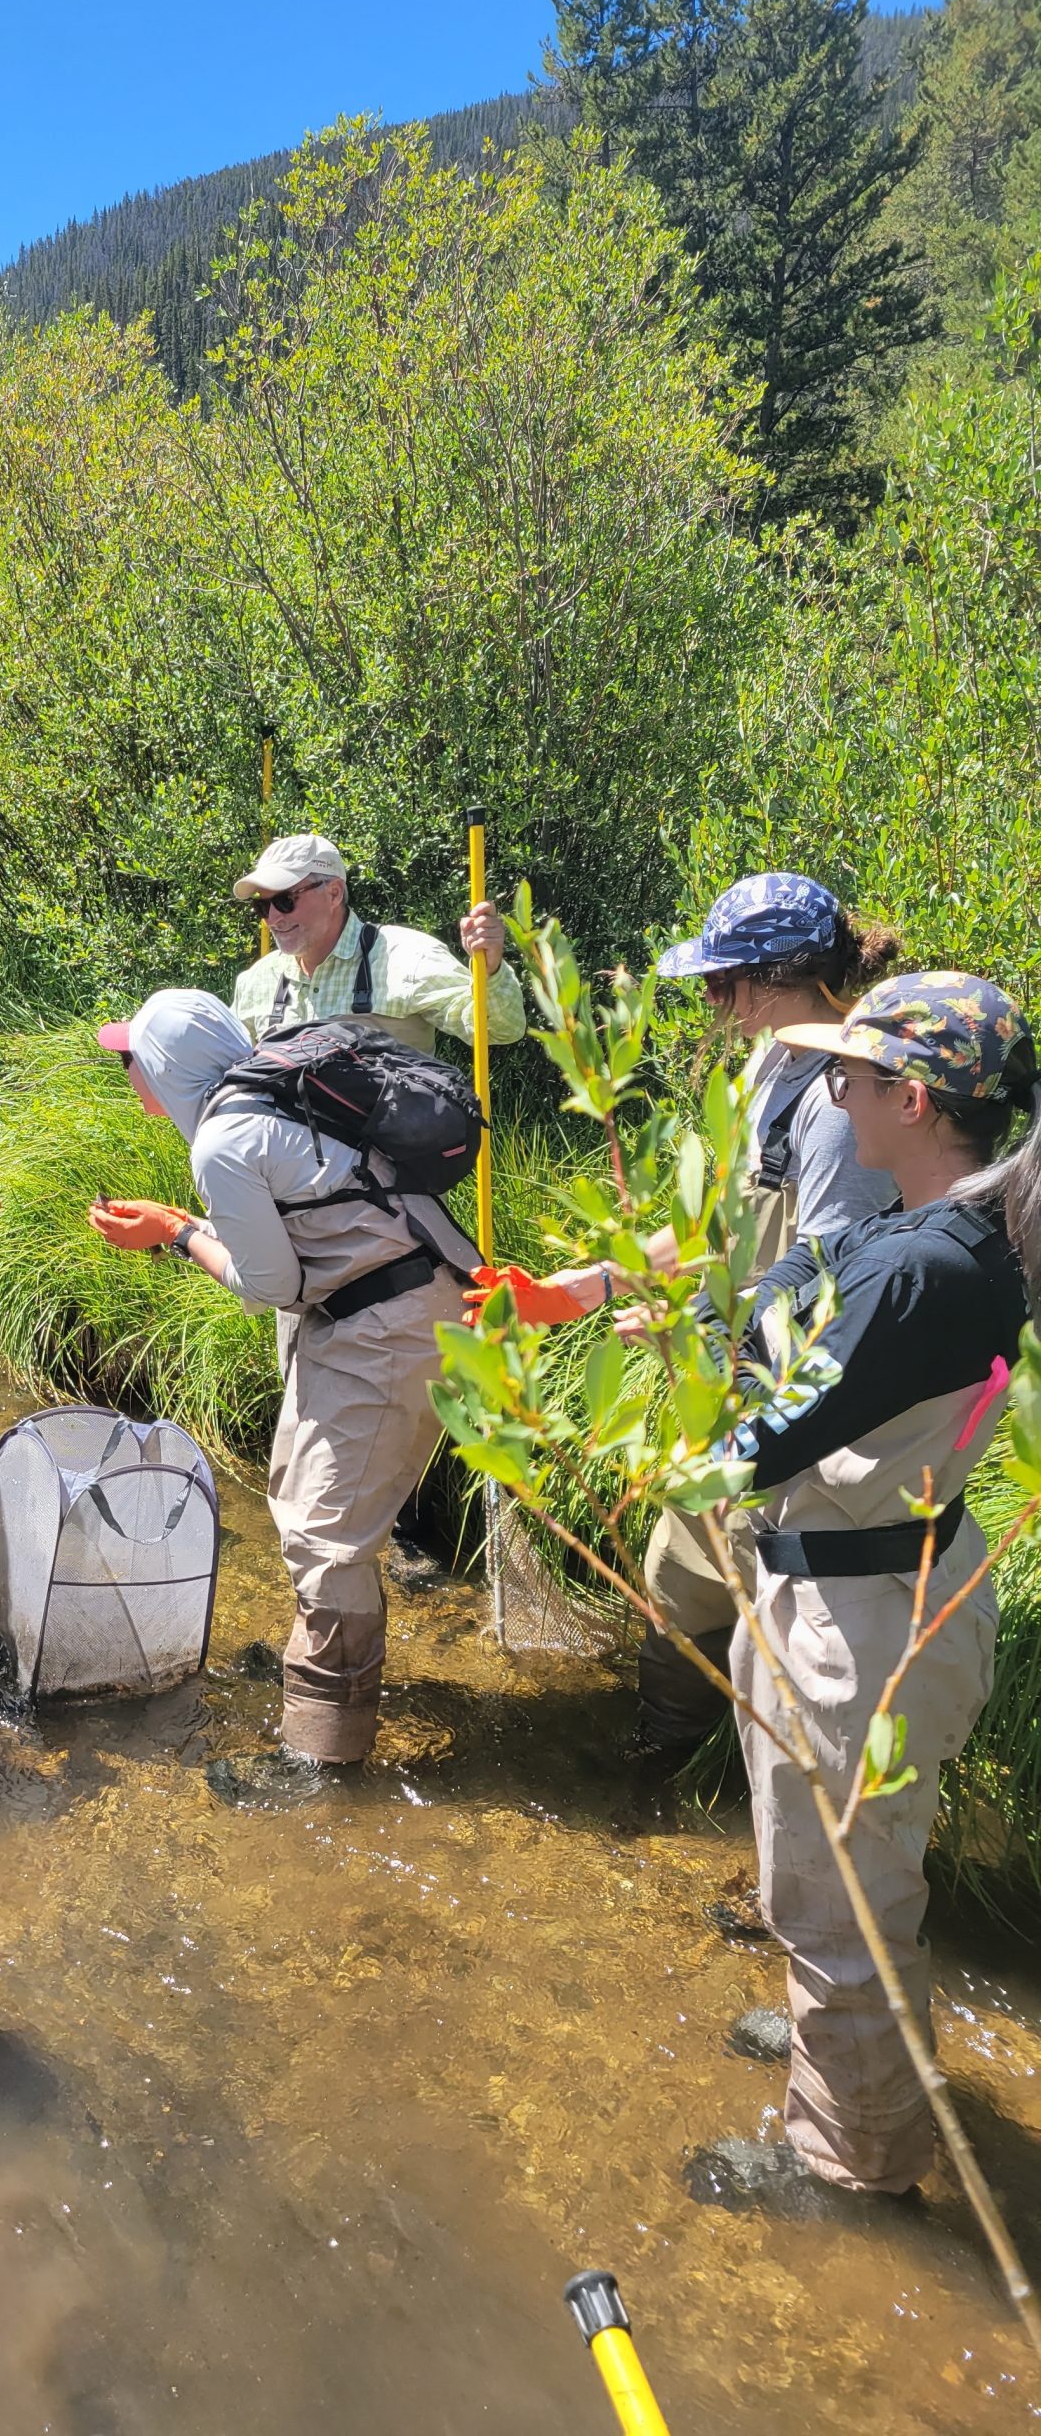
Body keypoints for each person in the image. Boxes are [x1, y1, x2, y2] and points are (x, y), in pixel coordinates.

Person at [702, 973, 1039, 2199]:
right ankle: (843, 2065)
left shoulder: (919, 1272)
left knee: (843, 1913)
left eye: (845, 1075)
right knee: (855, 1885)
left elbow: (746, 1441)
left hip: (859, 1625)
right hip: (888, 1584)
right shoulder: (960, 1227)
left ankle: (848, 2175)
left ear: (909, 1098)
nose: (829, 1092)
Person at [544, 874, 902, 1755]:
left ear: (775, 979)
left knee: (775, 1615)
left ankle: (764, 1806)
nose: (710, 1003)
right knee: (677, 1581)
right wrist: (596, 1283)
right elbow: (719, 1223)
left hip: (797, 1410)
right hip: (723, 1388)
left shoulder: (837, 1102)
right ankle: (661, 1758)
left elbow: (831, 1285)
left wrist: (696, 1333)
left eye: (718, 983)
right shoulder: (771, 1062)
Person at [89, 990, 480, 1765]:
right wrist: (182, 1226)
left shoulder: (226, 1140)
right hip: (394, 1305)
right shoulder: (270, 1099)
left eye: (132, 1058)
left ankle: (325, 1761)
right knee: (303, 1508)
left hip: (390, 1324)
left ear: (165, 1069)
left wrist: (175, 1233)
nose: (126, 1069)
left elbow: (273, 1286)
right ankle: (327, 1690)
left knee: (328, 1540)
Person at [230, 832, 526, 1054]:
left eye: (284, 901)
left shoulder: (408, 958)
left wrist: (489, 969)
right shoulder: (257, 980)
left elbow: (500, 1030)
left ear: (334, 894)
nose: (273, 919)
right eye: (262, 906)